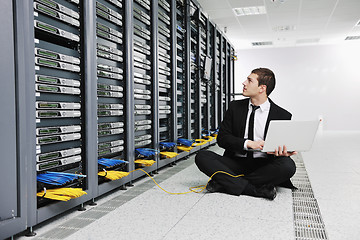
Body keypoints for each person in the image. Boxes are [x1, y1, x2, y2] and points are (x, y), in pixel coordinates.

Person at [195, 68, 297, 200]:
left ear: (262, 88)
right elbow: (222, 139)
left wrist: (282, 151)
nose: (244, 83)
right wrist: (248, 144)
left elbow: (281, 145)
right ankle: (254, 189)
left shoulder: (282, 115)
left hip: (264, 165)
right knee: (202, 156)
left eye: (249, 80)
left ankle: (226, 183)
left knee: (288, 166)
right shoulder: (234, 107)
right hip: (235, 162)